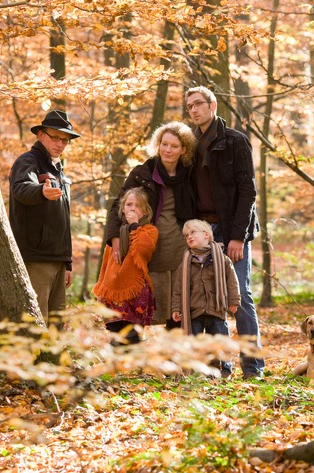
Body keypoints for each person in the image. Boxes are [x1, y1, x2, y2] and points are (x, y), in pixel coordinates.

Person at [185, 86, 264, 379]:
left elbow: (248, 191)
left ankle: (253, 366)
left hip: (232, 229)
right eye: (189, 106)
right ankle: (216, 365)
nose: (193, 110)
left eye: (198, 104)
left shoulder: (236, 141)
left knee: (240, 295)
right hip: (203, 230)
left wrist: (237, 237)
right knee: (206, 300)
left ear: (212, 105)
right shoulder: (189, 145)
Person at [105, 121, 196, 329]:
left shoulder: (190, 175)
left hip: (178, 249)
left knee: (176, 316)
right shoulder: (142, 173)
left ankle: (173, 359)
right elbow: (117, 206)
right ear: (158, 144)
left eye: (174, 146)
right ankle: (131, 357)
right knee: (135, 315)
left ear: (184, 149)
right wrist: (115, 238)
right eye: (164, 144)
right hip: (146, 247)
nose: (168, 150)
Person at [9, 110, 80, 321]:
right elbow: (21, 188)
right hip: (36, 259)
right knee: (36, 322)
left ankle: (51, 356)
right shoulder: (28, 161)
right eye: (55, 137)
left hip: (58, 259)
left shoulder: (58, 170)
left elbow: (63, 222)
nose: (60, 144)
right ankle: (34, 356)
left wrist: (67, 263)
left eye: (65, 140)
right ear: (41, 135)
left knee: (57, 322)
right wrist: (41, 191)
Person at [171, 219, 240, 378]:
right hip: (194, 311)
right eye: (186, 235)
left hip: (216, 308)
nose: (189, 237)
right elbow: (178, 288)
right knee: (194, 343)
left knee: (219, 342)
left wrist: (234, 301)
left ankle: (222, 371)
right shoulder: (186, 262)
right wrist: (176, 307)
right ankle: (195, 372)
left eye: (193, 232)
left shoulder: (221, 259)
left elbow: (232, 282)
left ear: (206, 235)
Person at [93, 188, 158, 345]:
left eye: (138, 205)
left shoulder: (149, 230)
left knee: (131, 333)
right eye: (129, 204)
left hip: (134, 292)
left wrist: (134, 225)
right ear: (122, 208)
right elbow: (106, 263)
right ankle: (118, 367)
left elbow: (143, 250)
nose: (133, 208)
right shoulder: (114, 234)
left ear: (146, 210)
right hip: (113, 290)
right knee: (114, 333)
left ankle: (133, 366)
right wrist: (101, 288)